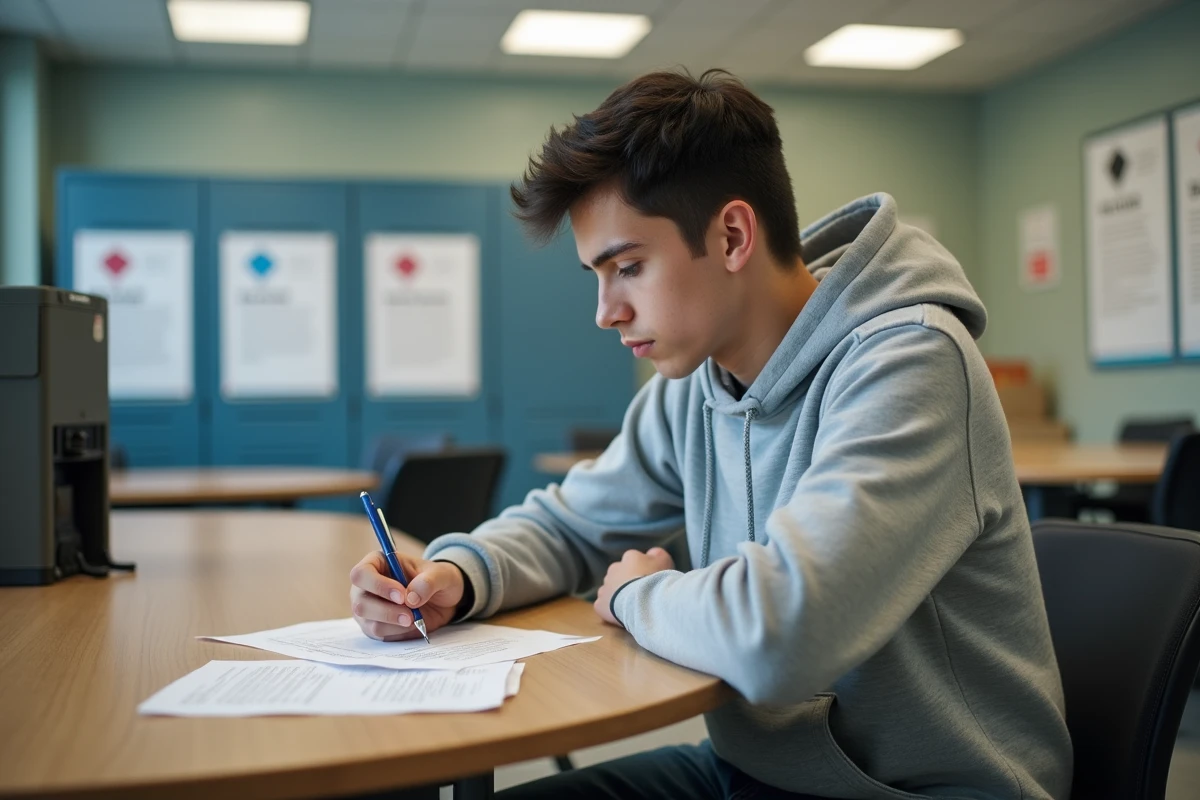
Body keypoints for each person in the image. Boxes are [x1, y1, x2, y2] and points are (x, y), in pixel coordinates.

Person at [349, 69, 1072, 800]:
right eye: (597, 277)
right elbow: (573, 526)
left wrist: (640, 594)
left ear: (731, 235)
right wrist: (459, 576)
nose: (606, 311)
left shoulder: (911, 362)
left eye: (628, 267)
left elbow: (784, 635)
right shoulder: (693, 385)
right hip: (754, 772)